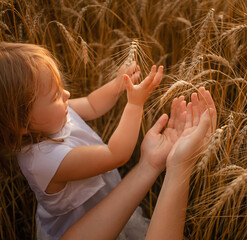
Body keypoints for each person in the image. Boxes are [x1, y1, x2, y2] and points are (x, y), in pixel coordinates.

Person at [0, 41, 162, 239]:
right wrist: (135, 105)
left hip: (102, 204)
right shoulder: (47, 161)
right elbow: (116, 155)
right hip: (86, 225)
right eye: (55, 96)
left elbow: (92, 104)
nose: (66, 94)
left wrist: (118, 83)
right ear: (22, 124)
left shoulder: (53, 117)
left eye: (61, 88)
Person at [61, 88, 217, 240]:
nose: (67, 93)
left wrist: (149, 163)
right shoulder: (51, 160)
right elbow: (117, 155)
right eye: (52, 95)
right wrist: (180, 167)